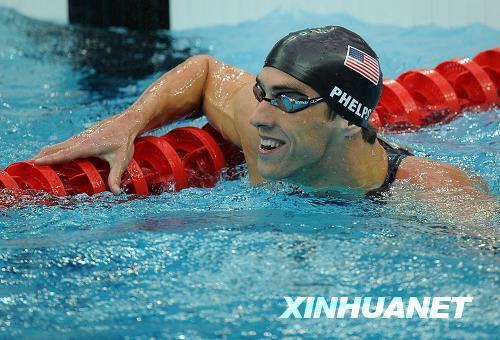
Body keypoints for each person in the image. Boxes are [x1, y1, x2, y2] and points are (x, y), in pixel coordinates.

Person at [32, 26, 494, 225]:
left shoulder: (428, 194)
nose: (258, 117)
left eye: (289, 99)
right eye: (262, 92)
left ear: (349, 121)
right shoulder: (264, 134)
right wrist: (130, 122)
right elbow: (207, 71)